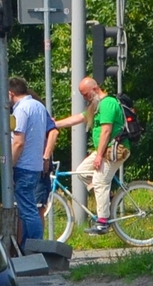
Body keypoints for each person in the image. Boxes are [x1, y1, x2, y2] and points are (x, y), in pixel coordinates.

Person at [52, 76, 125, 233]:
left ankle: (103, 223)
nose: (84, 97)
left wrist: (98, 156)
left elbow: (106, 131)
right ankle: (109, 200)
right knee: (81, 172)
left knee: (99, 181)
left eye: (85, 94)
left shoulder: (108, 103)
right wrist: (54, 124)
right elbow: (78, 118)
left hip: (115, 149)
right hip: (104, 150)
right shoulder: (95, 105)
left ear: (94, 89)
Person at [6, 76, 52, 248]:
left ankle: (33, 247)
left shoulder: (21, 110)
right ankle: (30, 245)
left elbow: (18, 142)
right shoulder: (38, 106)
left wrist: (9, 166)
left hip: (23, 165)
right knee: (30, 208)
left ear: (11, 93)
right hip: (35, 165)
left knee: (28, 210)